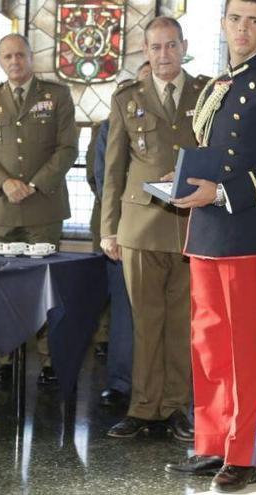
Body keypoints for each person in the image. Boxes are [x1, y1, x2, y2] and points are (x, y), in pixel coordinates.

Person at [165, 0, 256, 491]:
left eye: (253, 21)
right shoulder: (214, 84)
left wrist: (222, 192)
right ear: (223, 24)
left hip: (249, 233)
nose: (242, 29)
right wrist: (184, 180)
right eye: (234, 19)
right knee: (209, 348)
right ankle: (213, 443)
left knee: (248, 352)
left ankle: (244, 452)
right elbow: (214, 154)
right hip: (207, 232)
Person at [100, 16, 209, 442]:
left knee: (183, 323)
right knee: (144, 322)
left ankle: (178, 407)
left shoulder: (205, 95)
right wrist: (108, 229)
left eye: (171, 46)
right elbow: (113, 169)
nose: (164, 55)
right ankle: (143, 408)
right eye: (155, 48)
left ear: (183, 47)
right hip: (141, 225)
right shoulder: (128, 97)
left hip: (189, 223)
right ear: (145, 52)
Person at [0, 33, 78, 386]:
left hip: (43, 207)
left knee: (46, 289)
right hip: (2, 210)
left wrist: (32, 184)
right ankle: (7, 358)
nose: (14, 62)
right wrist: (5, 183)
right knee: (2, 289)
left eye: (19, 55)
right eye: (6, 57)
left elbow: (67, 148)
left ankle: (49, 361)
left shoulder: (57, 95)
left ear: (31, 57)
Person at [88, 61, 151, 408]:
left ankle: (161, 387)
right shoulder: (110, 125)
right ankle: (121, 381)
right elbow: (104, 179)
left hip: (164, 228)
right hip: (124, 230)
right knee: (124, 313)